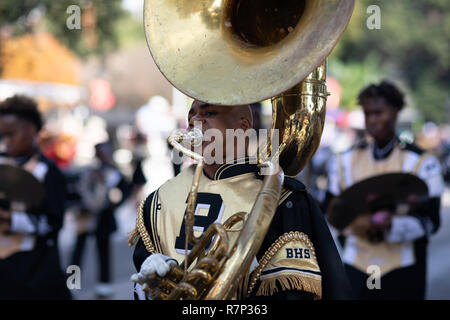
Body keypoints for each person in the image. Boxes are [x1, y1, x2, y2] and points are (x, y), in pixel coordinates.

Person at [129, 99, 352, 300]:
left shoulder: (283, 197)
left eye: (209, 113)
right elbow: (143, 277)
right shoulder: (159, 199)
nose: (195, 120)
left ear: (243, 126)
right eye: (191, 115)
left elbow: (293, 294)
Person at [325, 81, 445, 299]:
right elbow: (331, 209)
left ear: (396, 112)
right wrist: (355, 224)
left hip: (403, 267)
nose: (372, 120)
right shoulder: (344, 160)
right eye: (367, 113)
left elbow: (431, 221)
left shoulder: (421, 162)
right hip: (356, 264)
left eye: (379, 112)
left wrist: (392, 225)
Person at [0, 95, 71, 300]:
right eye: (2, 135)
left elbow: (53, 223)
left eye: (11, 134)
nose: (5, 141)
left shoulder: (48, 172)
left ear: (32, 129)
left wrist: (10, 219)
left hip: (35, 273)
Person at [71, 141, 131, 299]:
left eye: (105, 151)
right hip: (85, 216)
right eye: (100, 151)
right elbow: (76, 191)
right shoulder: (88, 171)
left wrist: (115, 204)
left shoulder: (114, 172)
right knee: (78, 251)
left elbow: (125, 191)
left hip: (104, 218)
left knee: (103, 251)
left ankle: (104, 284)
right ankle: (72, 283)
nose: (103, 154)